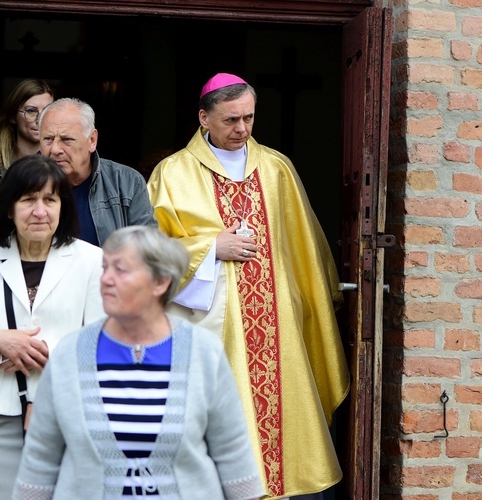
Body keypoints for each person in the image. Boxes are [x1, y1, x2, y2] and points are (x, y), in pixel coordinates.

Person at [147, 73, 349, 499]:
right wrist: (208, 247)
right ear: (204, 117)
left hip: (278, 329)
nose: (242, 129)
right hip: (211, 327)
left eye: (249, 118)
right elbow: (149, 252)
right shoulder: (173, 173)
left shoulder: (276, 169)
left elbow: (303, 248)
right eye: (230, 120)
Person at [13, 226, 266, 500]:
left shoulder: (204, 354)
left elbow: (233, 456)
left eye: (120, 270)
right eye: (105, 267)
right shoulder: (69, 354)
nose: (106, 279)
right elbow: (39, 462)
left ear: (160, 282)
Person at [0, 155, 106, 499]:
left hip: (65, 419)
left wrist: (49, 366)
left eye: (50, 200)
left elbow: (102, 351)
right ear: (9, 208)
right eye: (28, 200)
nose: (39, 211)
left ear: (63, 206)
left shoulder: (91, 260)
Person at [38, 97, 158, 246]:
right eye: (48, 139)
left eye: (66, 139)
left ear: (92, 140)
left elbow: (147, 250)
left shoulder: (127, 182)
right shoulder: (22, 183)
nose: (55, 149)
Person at [0, 78, 54, 246]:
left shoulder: (57, 160)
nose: (39, 119)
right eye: (31, 111)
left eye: (47, 111)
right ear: (12, 116)